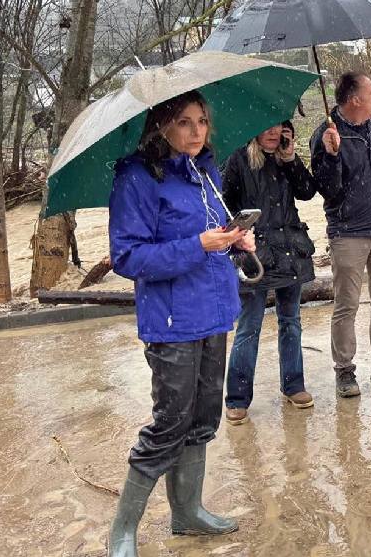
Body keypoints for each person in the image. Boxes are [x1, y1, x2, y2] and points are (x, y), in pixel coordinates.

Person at [107, 90, 253, 556]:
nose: (197, 131)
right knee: (170, 423)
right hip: (172, 320)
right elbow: (127, 256)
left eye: (202, 121)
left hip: (215, 312)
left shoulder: (205, 170)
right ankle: (122, 531)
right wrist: (198, 246)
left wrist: (234, 241)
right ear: (161, 125)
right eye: (185, 122)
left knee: (204, 417)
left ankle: (187, 512)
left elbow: (212, 232)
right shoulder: (137, 177)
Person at [309, 71, 371, 398]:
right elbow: (327, 189)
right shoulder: (326, 134)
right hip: (349, 231)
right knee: (346, 305)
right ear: (355, 99)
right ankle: (344, 371)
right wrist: (331, 156)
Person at [221, 121, 317, 426]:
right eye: (268, 128)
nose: (274, 133)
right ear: (255, 130)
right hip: (255, 254)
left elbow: (307, 191)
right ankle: (237, 398)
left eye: (279, 128)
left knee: (291, 322)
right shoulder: (238, 159)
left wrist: (291, 160)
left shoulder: (285, 158)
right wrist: (238, 236)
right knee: (249, 327)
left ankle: (294, 385)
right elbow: (223, 204)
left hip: (290, 251)